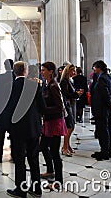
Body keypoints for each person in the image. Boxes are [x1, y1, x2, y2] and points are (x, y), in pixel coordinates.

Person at [6, 62, 42, 198]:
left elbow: (8, 109)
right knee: (34, 158)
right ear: (26, 71)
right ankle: (37, 188)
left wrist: (8, 127)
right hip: (33, 128)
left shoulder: (11, 87)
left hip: (18, 128)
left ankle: (21, 190)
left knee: (20, 160)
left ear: (14, 72)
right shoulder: (34, 85)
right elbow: (41, 108)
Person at [40, 61, 67, 189]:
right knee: (43, 146)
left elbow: (59, 107)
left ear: (51, 71)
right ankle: (50, 170)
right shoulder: (48, 84)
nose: (42, 72)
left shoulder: (54, 86)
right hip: (48, 121)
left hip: (55, 122)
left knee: (55, 152)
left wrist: (43, 110)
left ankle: (59, 181)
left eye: (44, 70)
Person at [91, 60, 111, 160]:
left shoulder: (102, 79)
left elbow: (105, 93)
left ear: (98, 68)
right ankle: (107, 150)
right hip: (107, 109)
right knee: (108, 129)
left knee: (103, 130)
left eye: (94, 68)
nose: (94, 70)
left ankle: (104, 152)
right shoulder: (110, 77)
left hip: (102, 109)